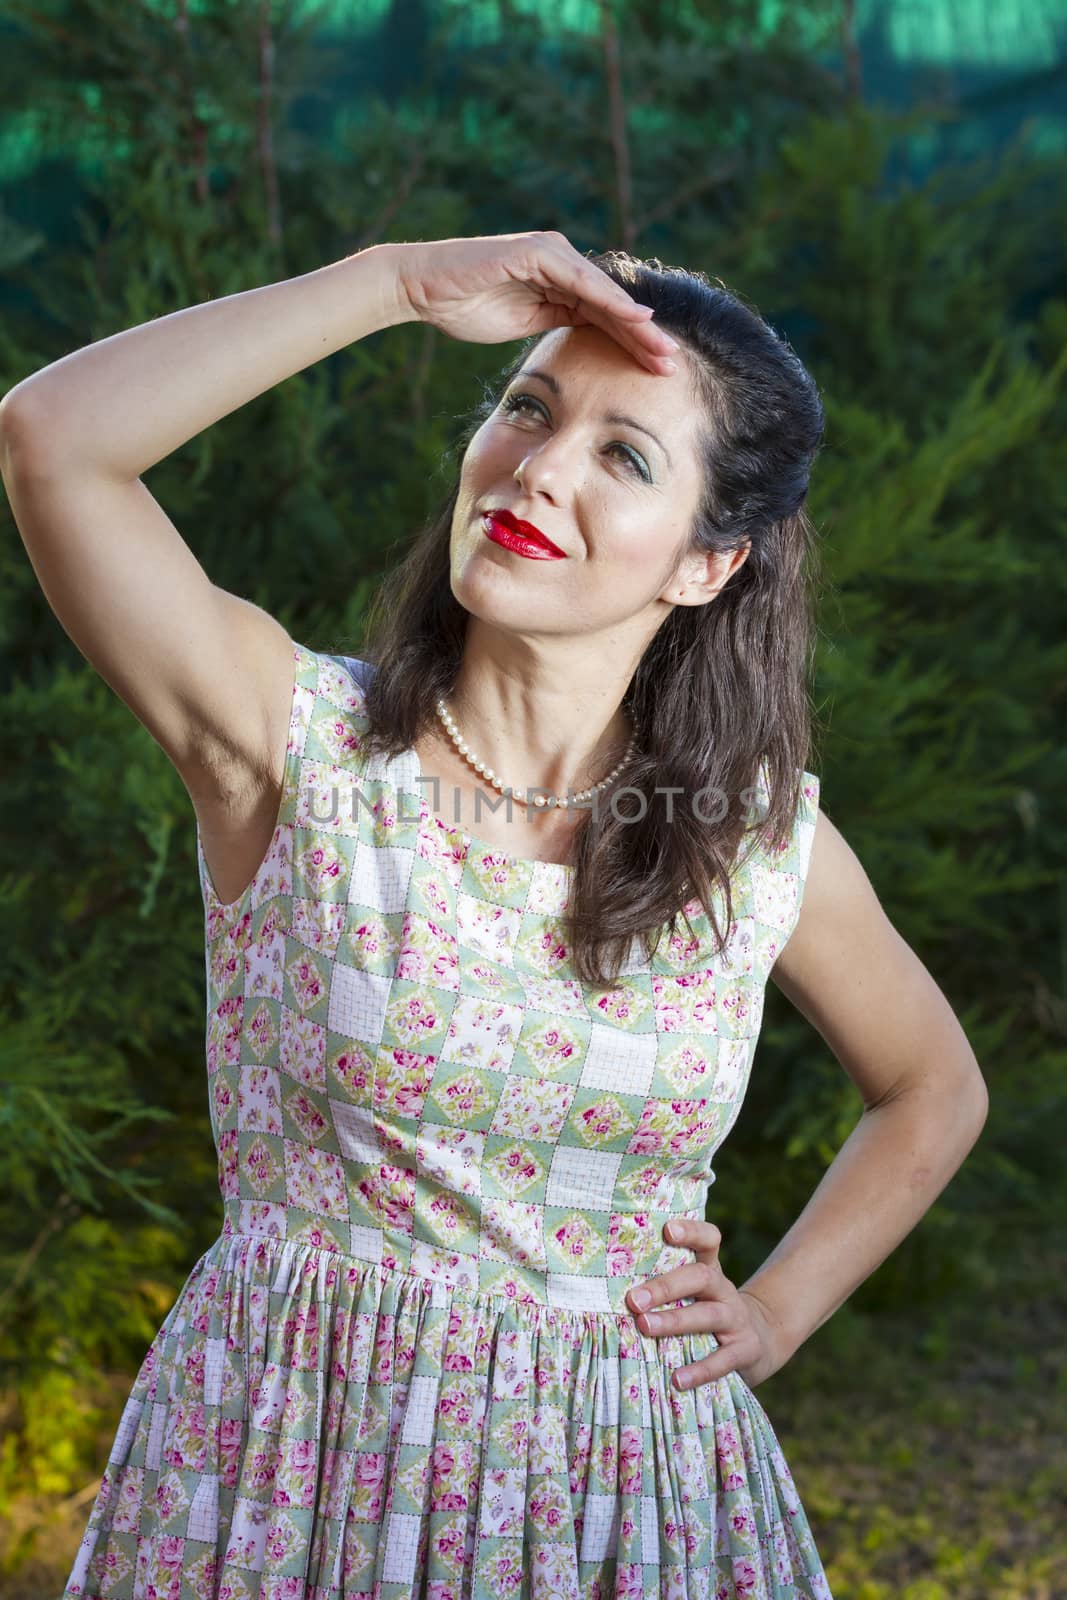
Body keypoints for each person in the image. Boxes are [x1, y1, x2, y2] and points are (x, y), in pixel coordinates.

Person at [1, 230, 988, 1600]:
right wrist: (397, 285)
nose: (538, 469)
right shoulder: (295, 746)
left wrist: (773, 1312)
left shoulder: (756, 843)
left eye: (623, 456)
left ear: (707, 566)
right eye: (528, 407)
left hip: (629, 1515)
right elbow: (53, 440)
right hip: (296, 1482)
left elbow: (931, 1085)